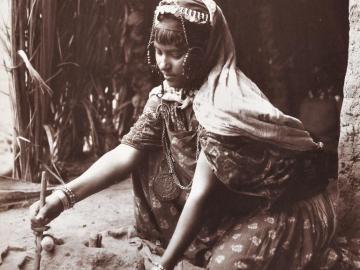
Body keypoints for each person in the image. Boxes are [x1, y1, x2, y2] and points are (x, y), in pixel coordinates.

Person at [30, 0, 338, 269]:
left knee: (224, 266)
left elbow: (201, 194)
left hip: (278, 207)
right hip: (224, 206)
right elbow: (127, 152)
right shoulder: (168, 95)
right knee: (147, 147)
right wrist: (62, 198)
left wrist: (164, 268)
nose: (164, 63)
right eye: (159, 51)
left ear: (203, 53)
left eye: (175, 53)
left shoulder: (225, 106)